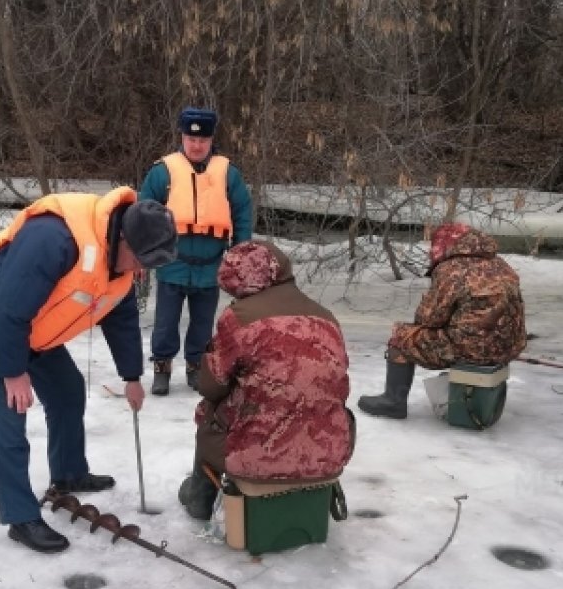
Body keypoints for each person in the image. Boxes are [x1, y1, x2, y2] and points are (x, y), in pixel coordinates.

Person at [0, 188, 178, 553]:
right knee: (11, 412)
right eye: (141, 259)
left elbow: (120, 317)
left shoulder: (121, 261)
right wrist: (13, 371)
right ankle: (20, 516)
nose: (141, 270)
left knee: (68, 391)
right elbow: (10, 305)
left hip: (35, 326)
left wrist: (132, 377)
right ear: (122, 237)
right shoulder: (55, 237)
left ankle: (69, 473)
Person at [177, 241, 355, 520]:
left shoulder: (239, 318)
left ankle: (200, 497)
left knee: (208, 411)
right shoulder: (326, 317)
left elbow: (210, 386)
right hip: (328, 450)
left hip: (255, 452)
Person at [138, 106, 253, 396]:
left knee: (203, 323)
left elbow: (241, 211)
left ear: (211, 140)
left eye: (203, 140)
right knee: (165, 322)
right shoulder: (162, 172)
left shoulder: (228, 174)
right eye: (191, 139)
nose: (197, 145)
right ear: (183, 137)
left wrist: (239, 251)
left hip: (210, 265)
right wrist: (144, 252)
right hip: (171, 262)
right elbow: (144, 212)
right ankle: (162, 367)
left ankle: (196, 366)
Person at [358, 222, 527, 420]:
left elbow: (428, 319)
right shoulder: (501, 265)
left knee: (401, 335)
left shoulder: (452, 269)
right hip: (509, 347)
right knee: (465, 335)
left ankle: (393, 401)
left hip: (472, 349)